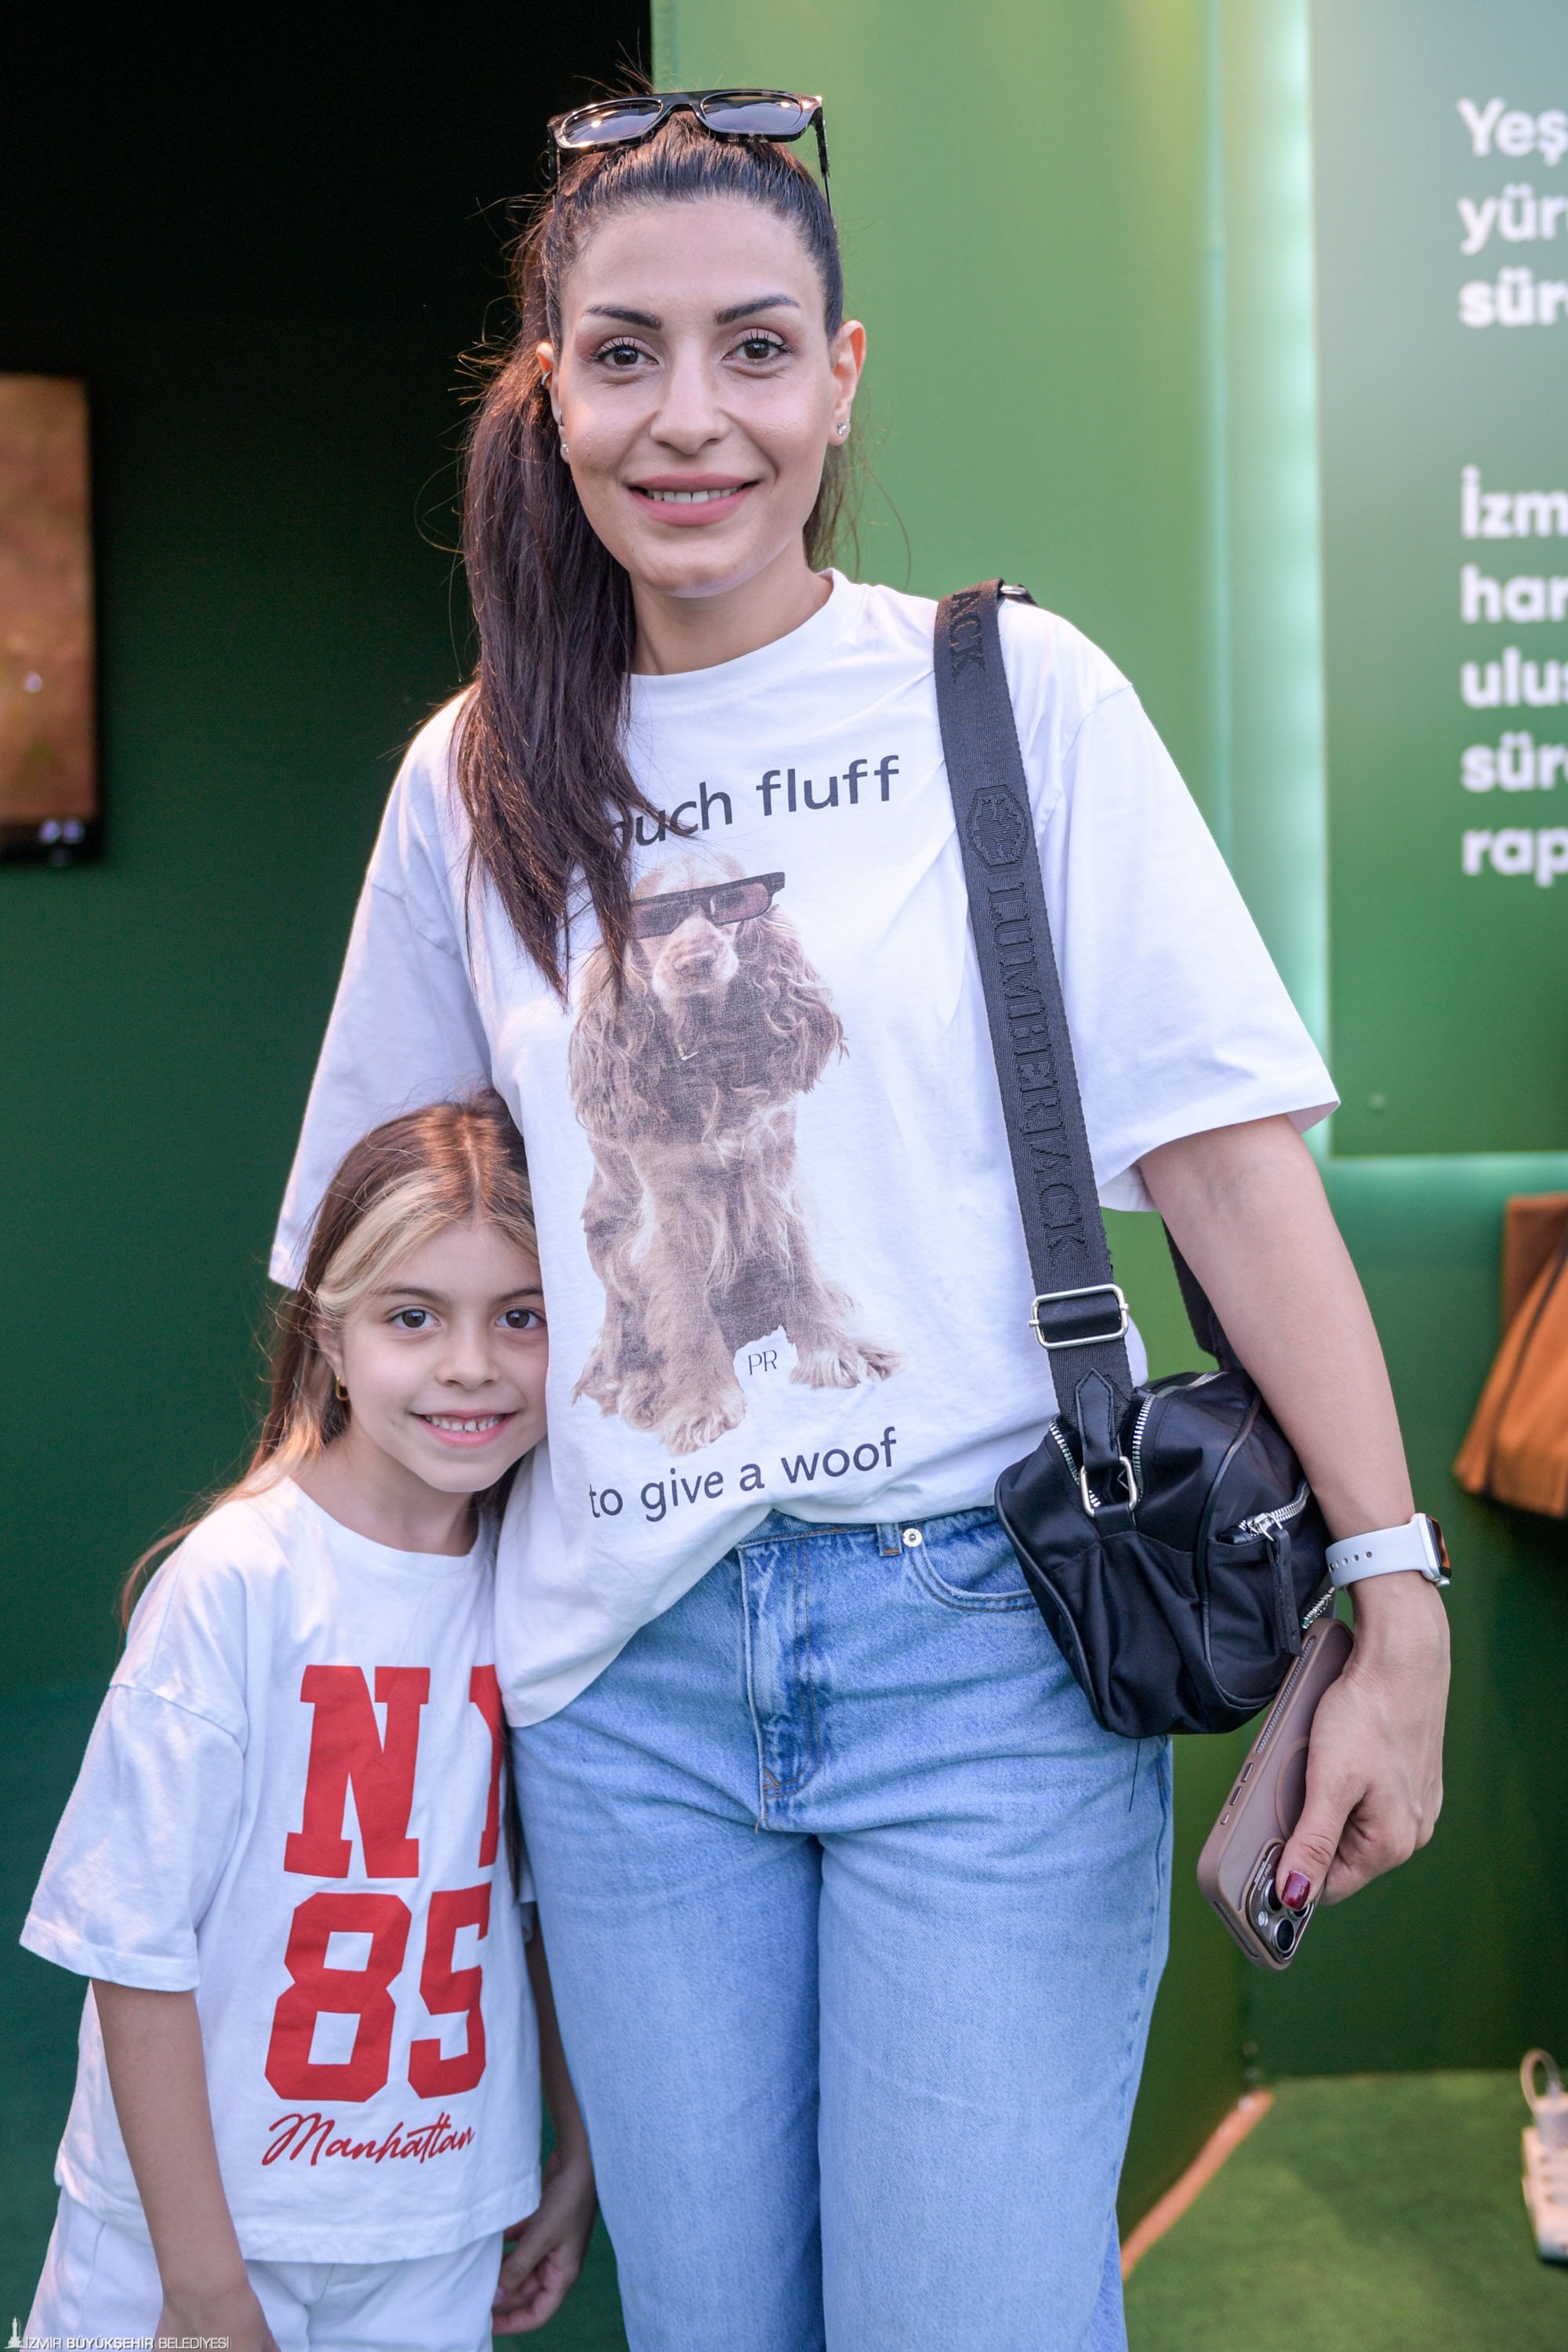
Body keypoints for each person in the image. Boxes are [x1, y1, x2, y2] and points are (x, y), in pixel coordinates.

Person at [272, 94, 1450, 2352]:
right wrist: (284, 1609)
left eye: (753, 349)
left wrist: (1393, 1596)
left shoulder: (1006, 696)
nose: (688, 417)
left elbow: (1228, 1161)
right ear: (551, 389)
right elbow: (403, 1243)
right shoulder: (479, 773)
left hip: (981, 1653)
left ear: (840, 378)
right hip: (620, 1680)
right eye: (625, 357)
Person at [23, 1095, 595, 2352]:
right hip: (184, 2247)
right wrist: (201, 2288)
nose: (470, 1365)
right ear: (330, 1334)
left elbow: (546, 1913)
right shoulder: (240, 1580)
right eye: (412, 1316)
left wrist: (576, 2155)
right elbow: (135, 1950)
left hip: (433, 2235)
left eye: (522, 1316)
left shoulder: (547, 1586)